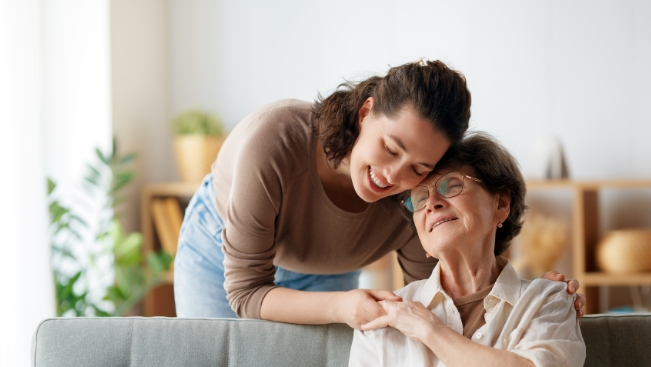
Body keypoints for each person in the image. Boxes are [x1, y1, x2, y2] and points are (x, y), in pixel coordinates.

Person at [174, 60, 584, 327]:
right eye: (390, 148)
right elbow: (246, 292)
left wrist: (534, 301)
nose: (391, 176)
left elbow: (443, 301)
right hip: (223, 256)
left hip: (327, 274)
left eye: (419, 168)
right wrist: (340, 307)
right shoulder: (275, 141)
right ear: (366, 112)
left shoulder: (415, 199)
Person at [341, 134, 620, 367]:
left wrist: (429, 329)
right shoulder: (385, 316)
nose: (432, 204)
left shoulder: (548, 301)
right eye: (420, 198)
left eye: (450, 185)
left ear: (501, 204)